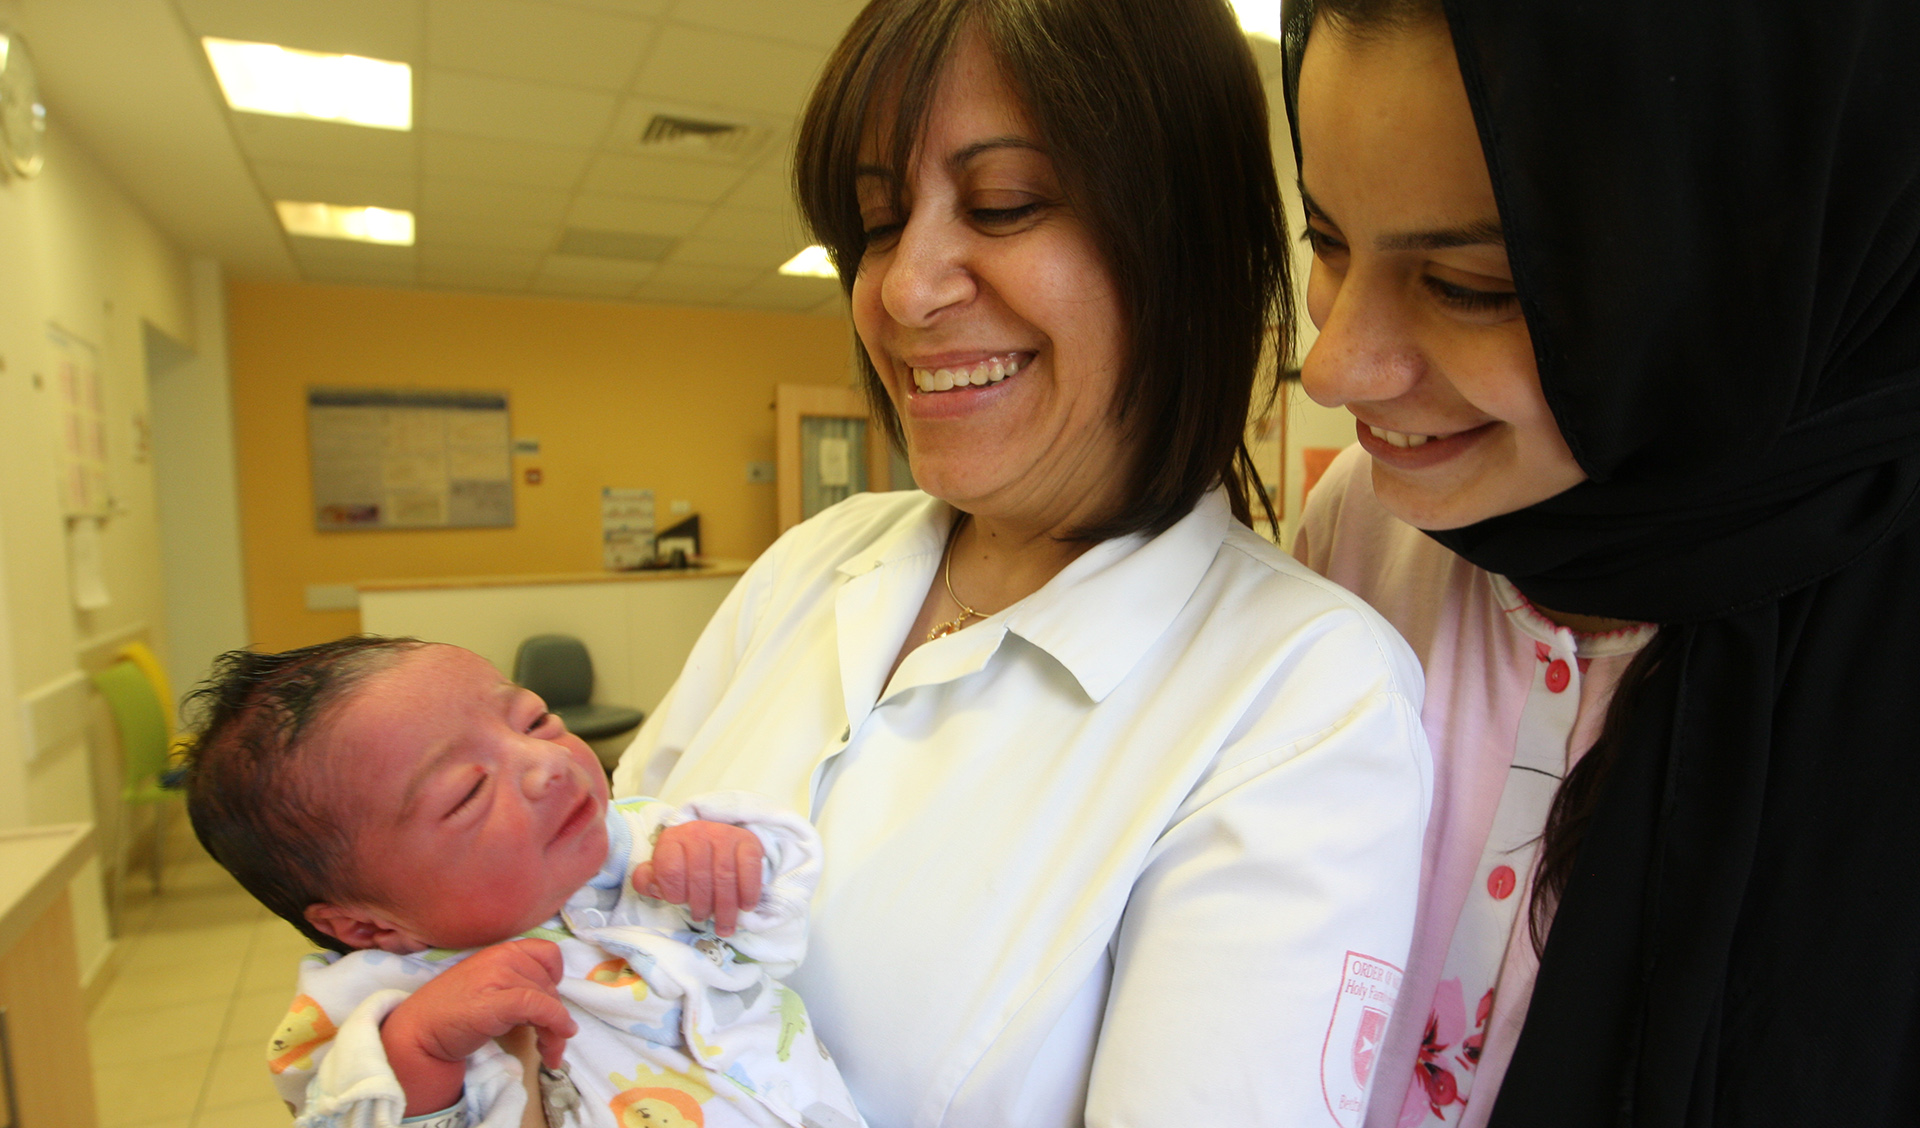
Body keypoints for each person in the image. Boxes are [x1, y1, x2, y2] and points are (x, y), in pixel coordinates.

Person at [613, 1, 1432, 1125]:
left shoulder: (1305, 699)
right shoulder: (810, 566)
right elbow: (581, 909)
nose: (904, 288)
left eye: (1002, 205)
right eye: (879, 222)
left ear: (1181, 245)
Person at [1283, 0, 1920, 1124]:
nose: (1332, 367)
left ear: (1732, 267)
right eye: (1327, 241)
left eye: (1470, 285)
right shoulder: (1364, 535)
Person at [183, 637, 866, 1128]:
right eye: (470, 791)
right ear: (367, 925)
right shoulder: (375, 1004)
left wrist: (732, 859)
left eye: (535, 721)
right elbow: (341, 1109)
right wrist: (420, 1053)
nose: (548, 764)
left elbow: (775, 932)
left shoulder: (637, 843)